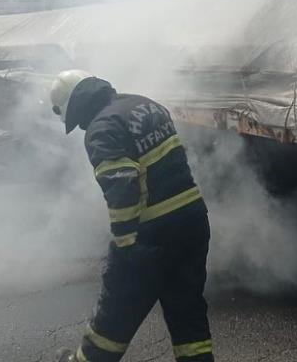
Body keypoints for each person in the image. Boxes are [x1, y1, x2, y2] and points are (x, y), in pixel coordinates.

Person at [50, 70, 213, 362]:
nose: (80, 126)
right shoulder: (144, 103)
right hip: (193, 220)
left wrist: (125, 242)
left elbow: (122, 181)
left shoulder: (101, 127)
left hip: (152, 233)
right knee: (187, 310)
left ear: (77, 104)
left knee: (116, 313)